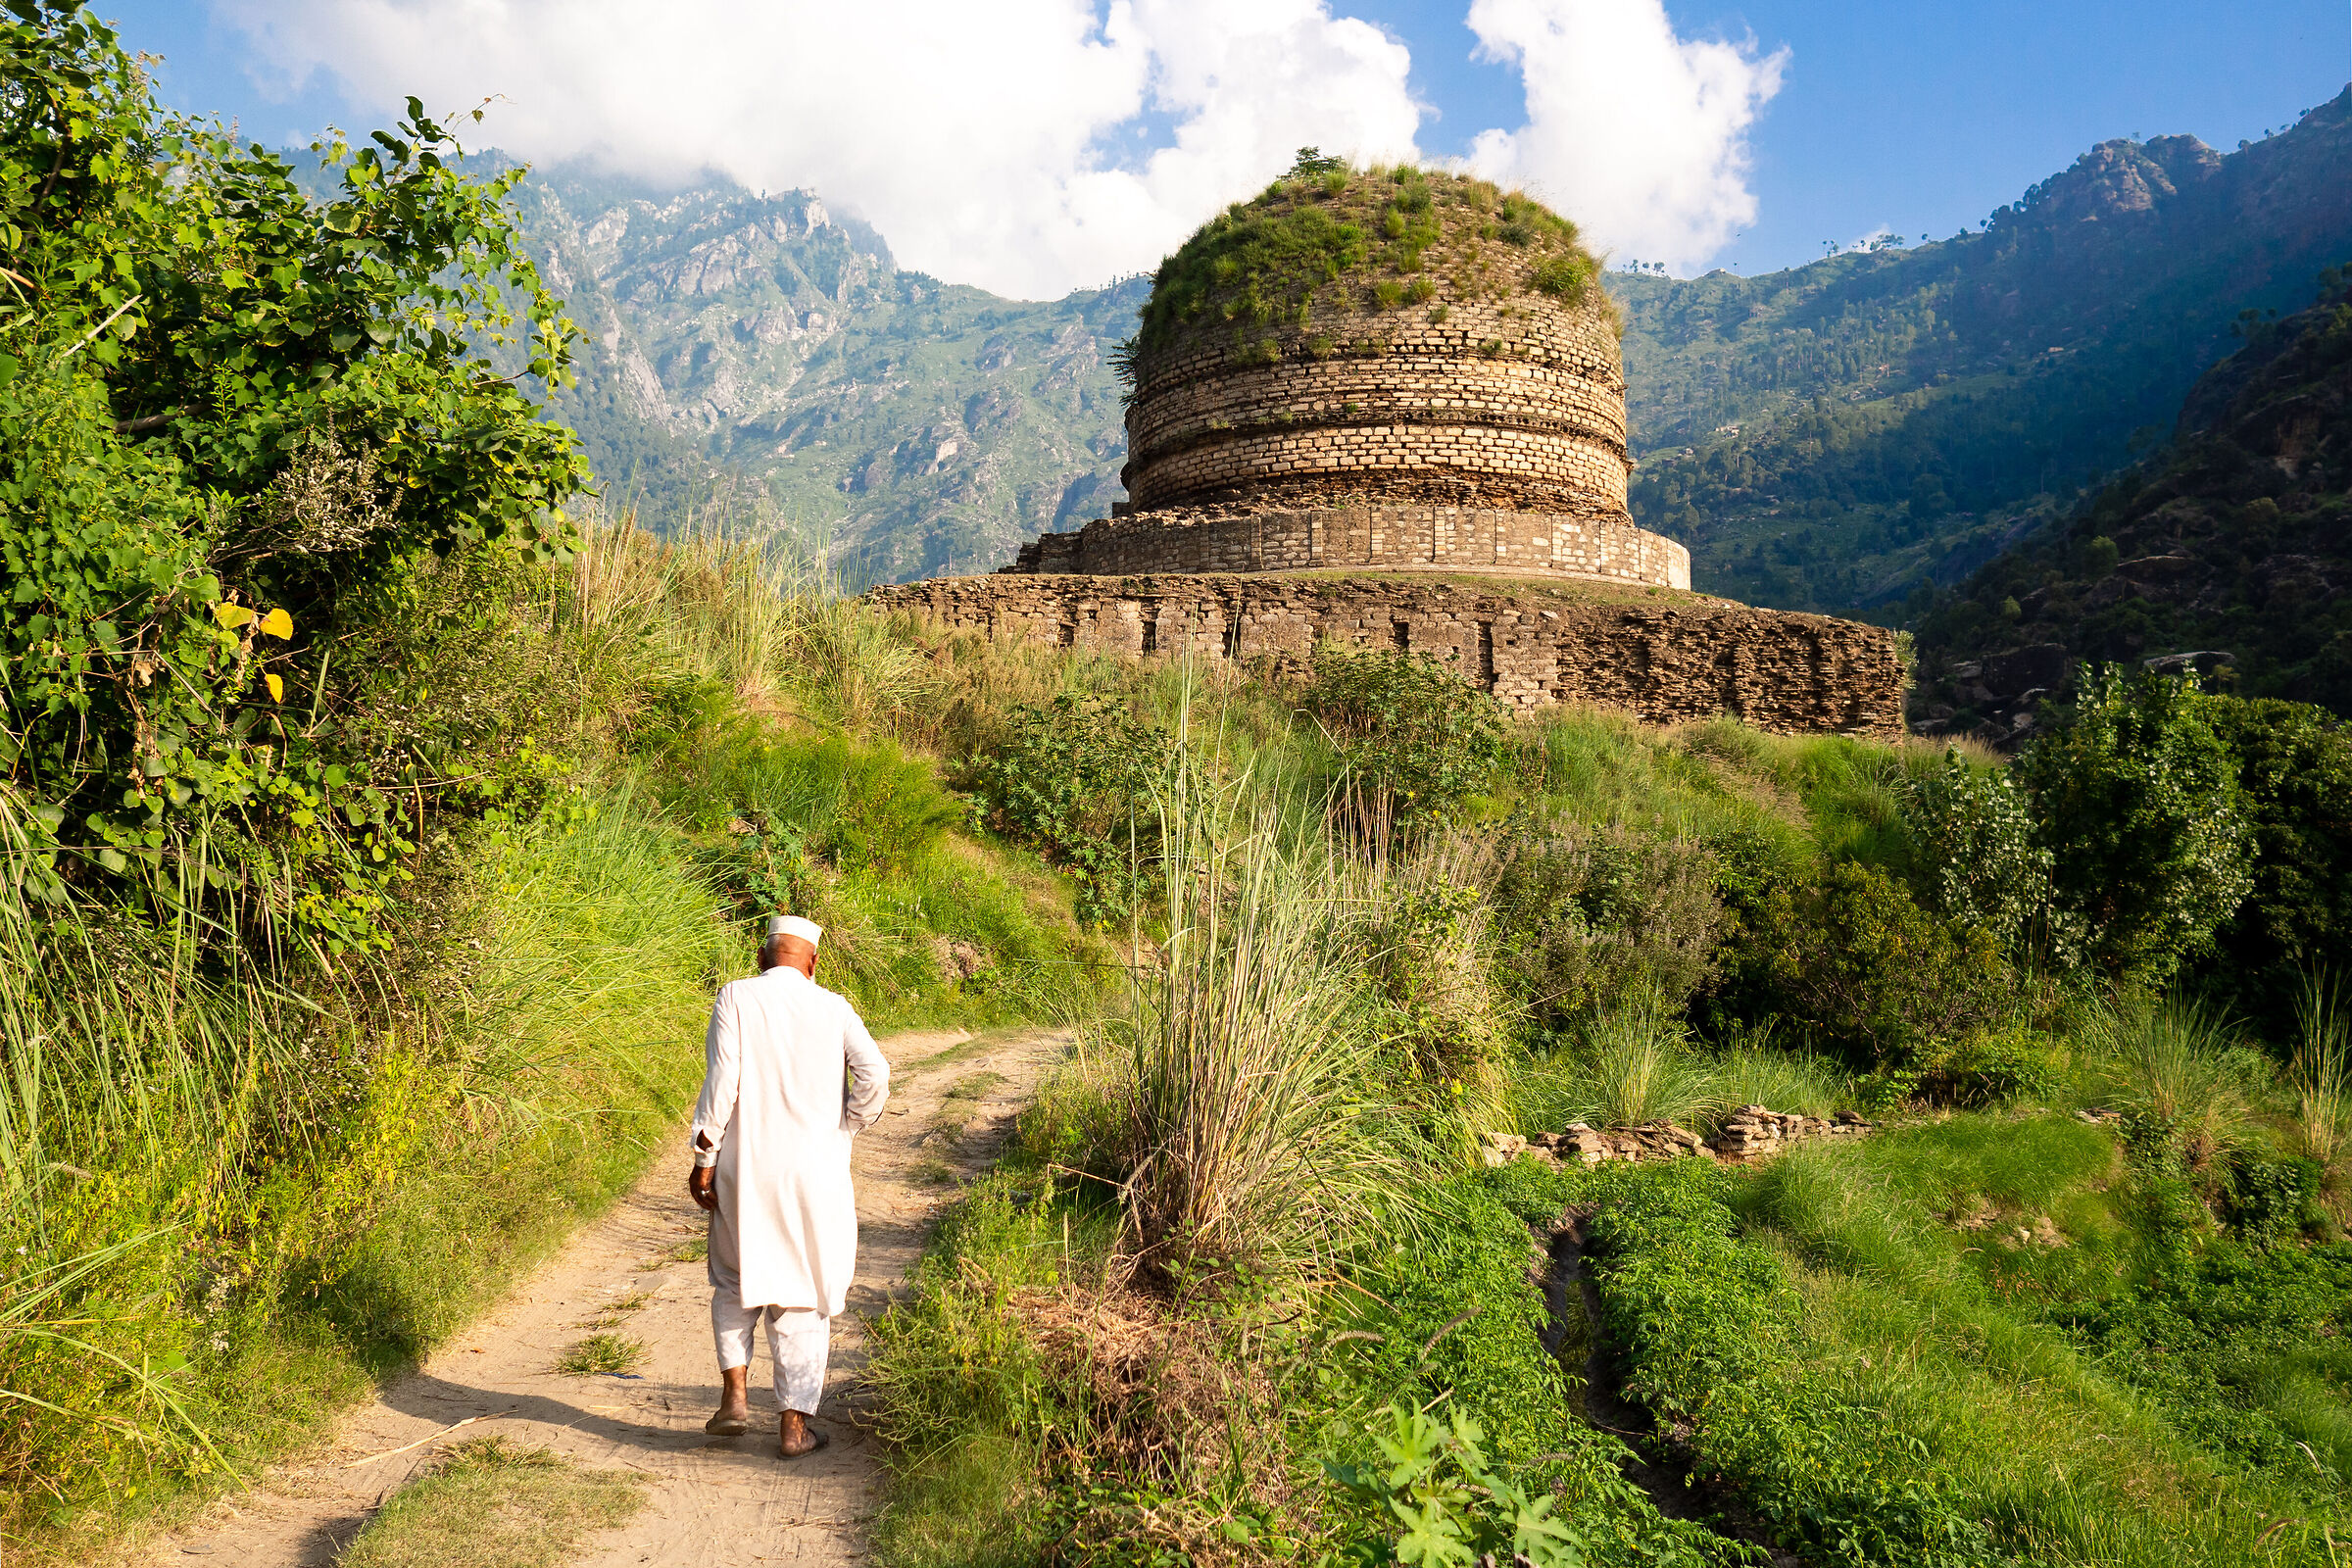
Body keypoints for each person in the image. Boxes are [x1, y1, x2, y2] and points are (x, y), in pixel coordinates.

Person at [686, 913, 889, 1459]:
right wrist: (849, 1123)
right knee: (802, 1292)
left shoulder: (736, 996)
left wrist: (705, 1157)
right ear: (813, 963)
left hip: (745, 1167)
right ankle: (794, 1430)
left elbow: (721, 1082)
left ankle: (734, 1398)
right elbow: (875, 1074)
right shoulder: (835, 1007)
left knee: (734, 1279)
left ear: (761, 956)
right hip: (814, 1173)